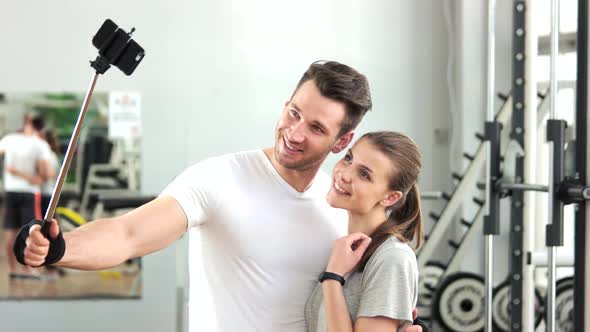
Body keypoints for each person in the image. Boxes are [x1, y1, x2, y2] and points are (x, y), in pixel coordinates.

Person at [16, 61, 423, 331]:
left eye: (317, 128)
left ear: (342, 141)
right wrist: (59, 248)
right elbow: (129, 235)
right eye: (294, 113)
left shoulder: (342, 206)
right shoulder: (220, 178)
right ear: (286, 105)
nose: (295, 133)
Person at [305, 131, 422, 331]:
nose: (344, 174)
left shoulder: (392, 258)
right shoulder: (345, 249)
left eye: (364, 174)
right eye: (349, 158)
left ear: (390, 198)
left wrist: (333, 278)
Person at [0, 113, 50, 278]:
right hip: (29, 193)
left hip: (10, 191)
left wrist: (14, 172)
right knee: (31, 231)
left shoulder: (9, 139)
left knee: (10, 232)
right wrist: (25, 175)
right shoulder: (40, 144)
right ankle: (27, 270)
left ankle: (13, 269)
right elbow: (45, 175)